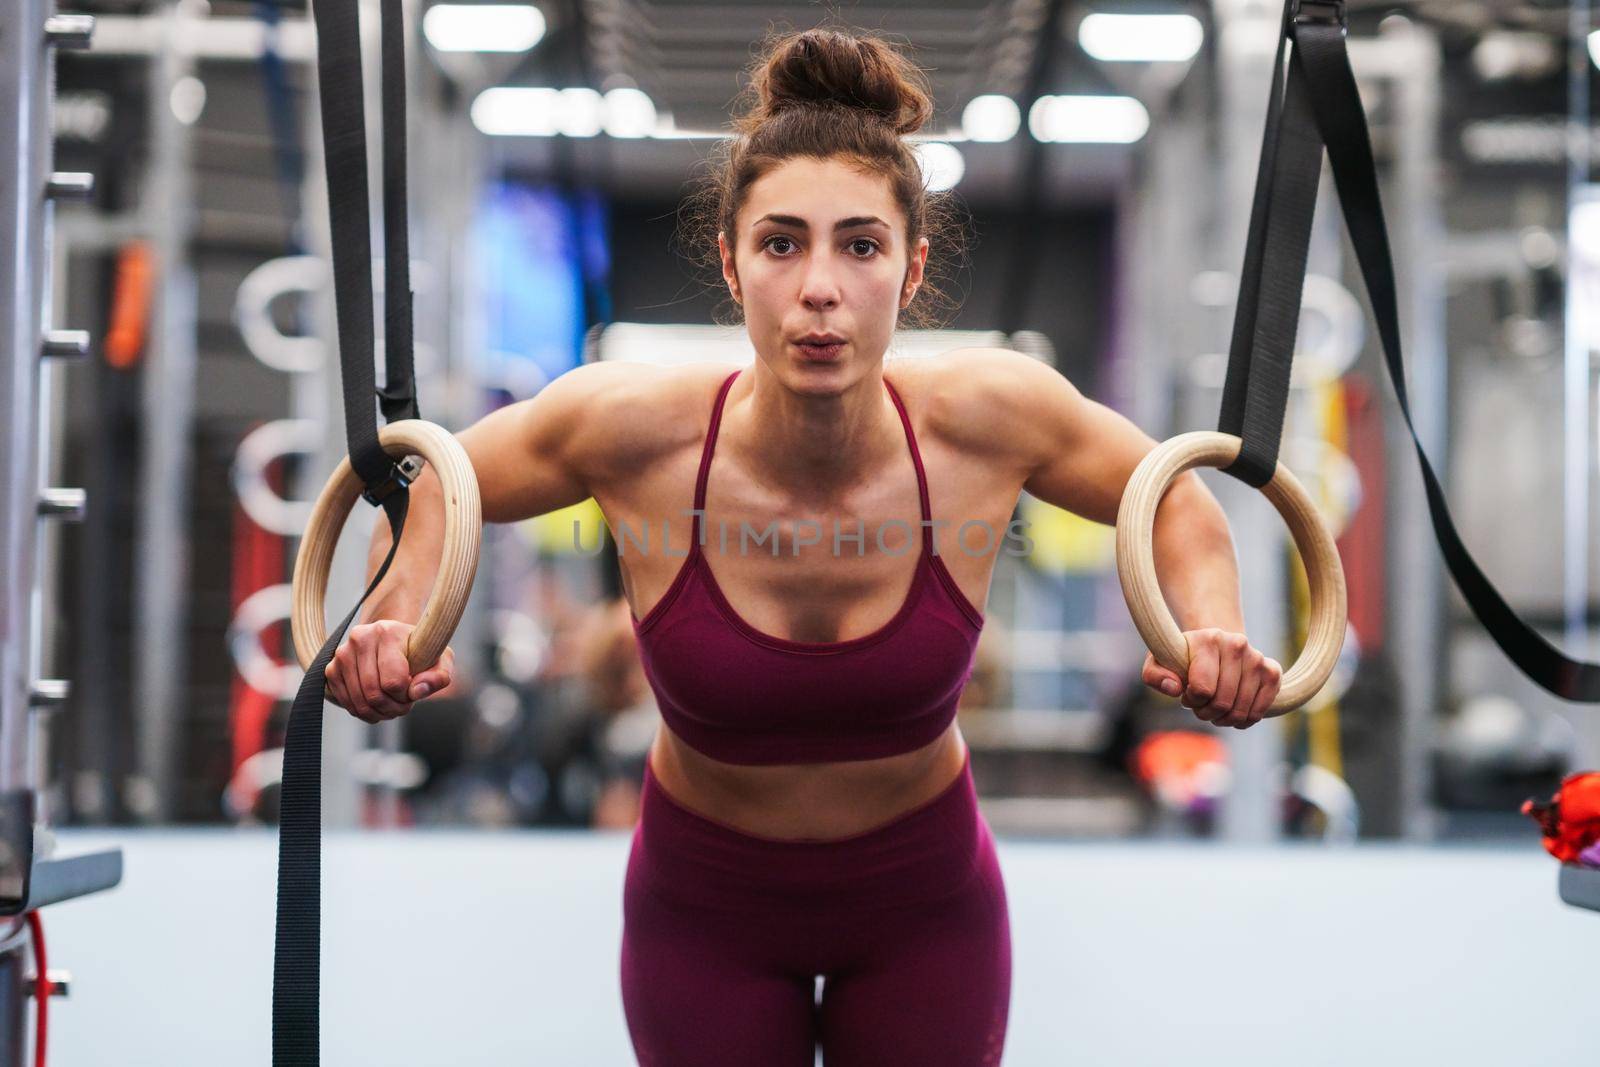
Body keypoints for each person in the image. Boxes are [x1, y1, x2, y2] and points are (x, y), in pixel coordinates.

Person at [322, 26, 1283, 1066]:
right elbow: (433, 491)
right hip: (706, 906)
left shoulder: (991, 414)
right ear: (732, 266)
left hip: (922, 901)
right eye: (781, 243)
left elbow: (1175, 502)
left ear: (910, 272)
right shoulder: (627, 426)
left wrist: (1211, 630)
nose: (819, 286)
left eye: (859, 246)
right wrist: (393, 624)